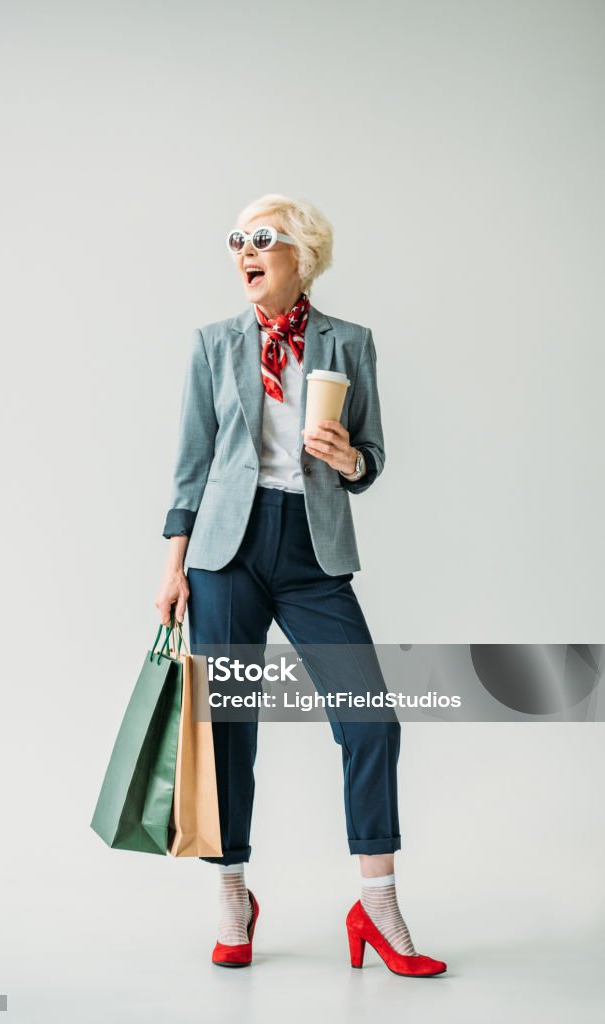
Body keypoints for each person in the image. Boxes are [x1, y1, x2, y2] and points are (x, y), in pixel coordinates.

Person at [154, 194, 446, 977]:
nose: (243, 253)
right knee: (227, 731)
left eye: (261, 239)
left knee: (370, 722)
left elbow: (370, 457)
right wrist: (172, 566)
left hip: (313, 553)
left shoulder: (348, 343)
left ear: (300, 254)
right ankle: (232, 897)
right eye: (236, 241)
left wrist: (348, 458)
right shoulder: (214, 344)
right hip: (227, 552)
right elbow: (191, 463)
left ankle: (375, 905)